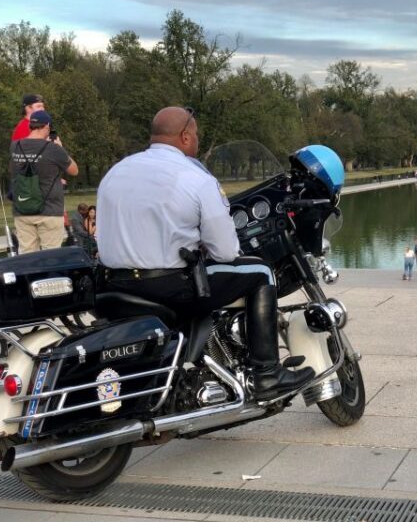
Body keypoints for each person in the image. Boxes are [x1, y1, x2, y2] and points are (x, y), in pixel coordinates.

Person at [96, 106, 314, 399]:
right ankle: (267, 374)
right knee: (260, 272)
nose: (197, 141)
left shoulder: (116, 171)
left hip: (112, 284)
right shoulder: (194, 177)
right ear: (185, 136)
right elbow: (225, 251)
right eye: (196, 135)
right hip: (166, 287)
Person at [10, 111, 78, 253]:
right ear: (47, 125)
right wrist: (60, 148)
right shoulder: (53, 149)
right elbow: (74, 170)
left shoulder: (15, 146)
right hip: (49, 210)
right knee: (51, 255)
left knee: (27, 256)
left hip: (22, 209)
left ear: (31, 126)